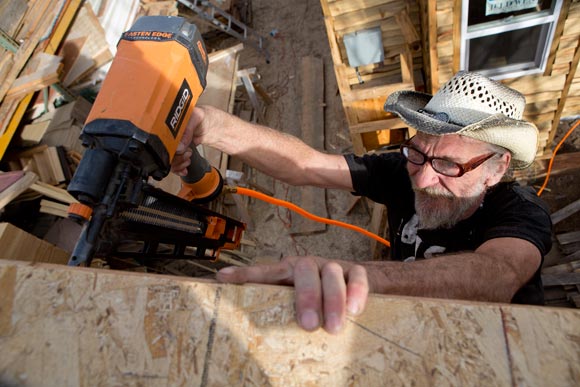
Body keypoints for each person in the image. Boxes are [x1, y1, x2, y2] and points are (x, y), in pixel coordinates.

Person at [172, 71, 552, 334]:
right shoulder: (403, 170)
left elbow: (497, 274)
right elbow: (307, 165)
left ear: (497, 167)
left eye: (448, 165)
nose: (421, 178)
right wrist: (215, 127)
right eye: (417, 152)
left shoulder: (519, 213)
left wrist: (361, 277)